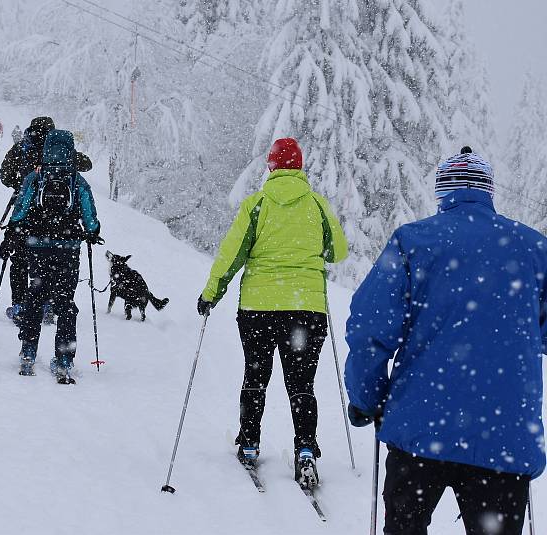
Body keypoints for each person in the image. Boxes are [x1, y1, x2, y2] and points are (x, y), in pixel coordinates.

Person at [345, 147, 545, 535]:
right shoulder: (534, 250)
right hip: (503, 440)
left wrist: (367, 399)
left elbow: (370, 330)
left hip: (418, 433)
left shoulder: (413, 242)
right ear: (488, 191)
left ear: (443, 192)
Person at [197, 137, 347, 489]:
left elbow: (232, 254)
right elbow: (337, 251)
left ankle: (249, 444)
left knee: (256, 376)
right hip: (305, 309)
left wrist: (211, 293)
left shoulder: (257, 204)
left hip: (258, 309)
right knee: (301, 383)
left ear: (271, 167)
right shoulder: (317, 205)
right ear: (299, 167)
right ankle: (306, 450)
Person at [0, 129, 102, 384]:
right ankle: (64, 360)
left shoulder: (36, 178)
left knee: (35, 296)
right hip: (68, 248)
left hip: (38, 245)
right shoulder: (76, 180)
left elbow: (20, 209)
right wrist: (91, 232)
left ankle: (28, 352)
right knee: (65, 302)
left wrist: (13, 232)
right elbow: (90, 217)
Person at [0, 116, 93, 325]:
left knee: (20, 259)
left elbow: (5, 175)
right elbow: (87, 164)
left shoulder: (22, 148)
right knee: (49, 262)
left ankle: (20, 304)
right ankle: (48, 303)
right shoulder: (59, 152)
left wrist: (22, 184)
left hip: (27, 211)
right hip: (58, 221)